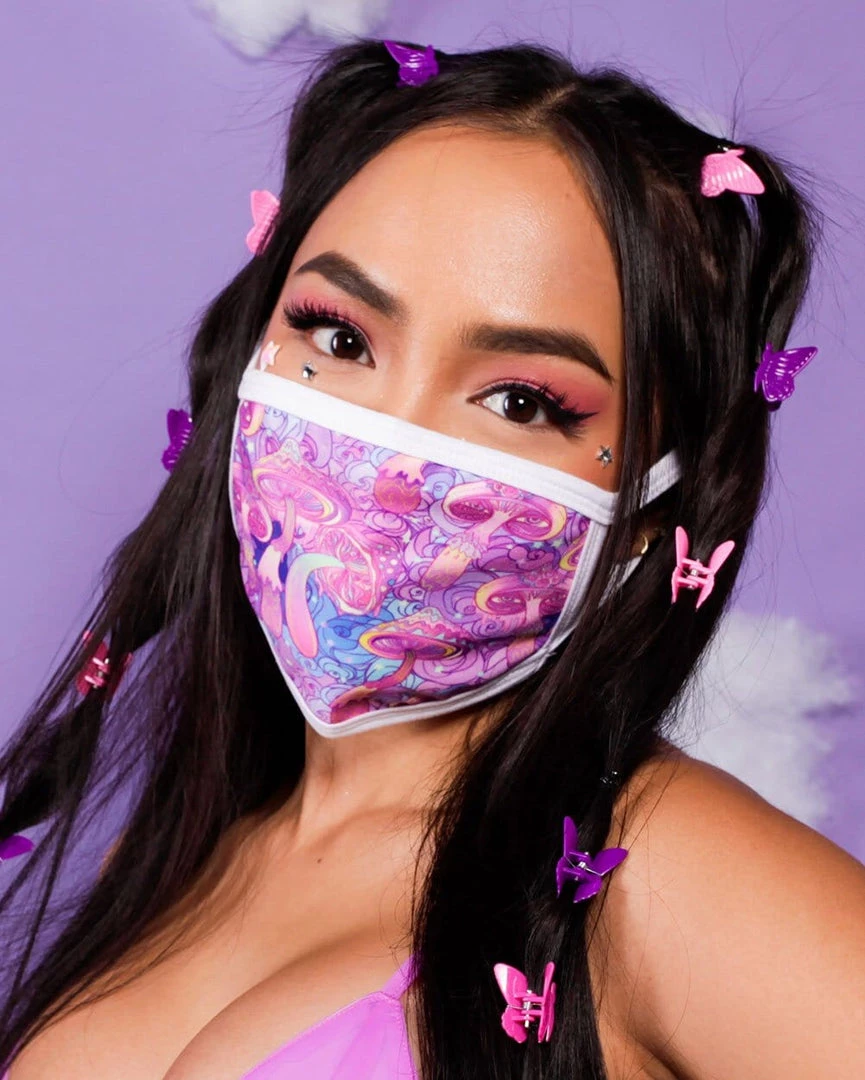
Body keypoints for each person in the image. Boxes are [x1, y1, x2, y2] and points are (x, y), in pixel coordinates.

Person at [0, 35, 863, 1080]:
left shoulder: (658, 873)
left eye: (521, 400)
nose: (392, 449)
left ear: (651, 509)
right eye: (341, 338)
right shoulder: (161, 863)